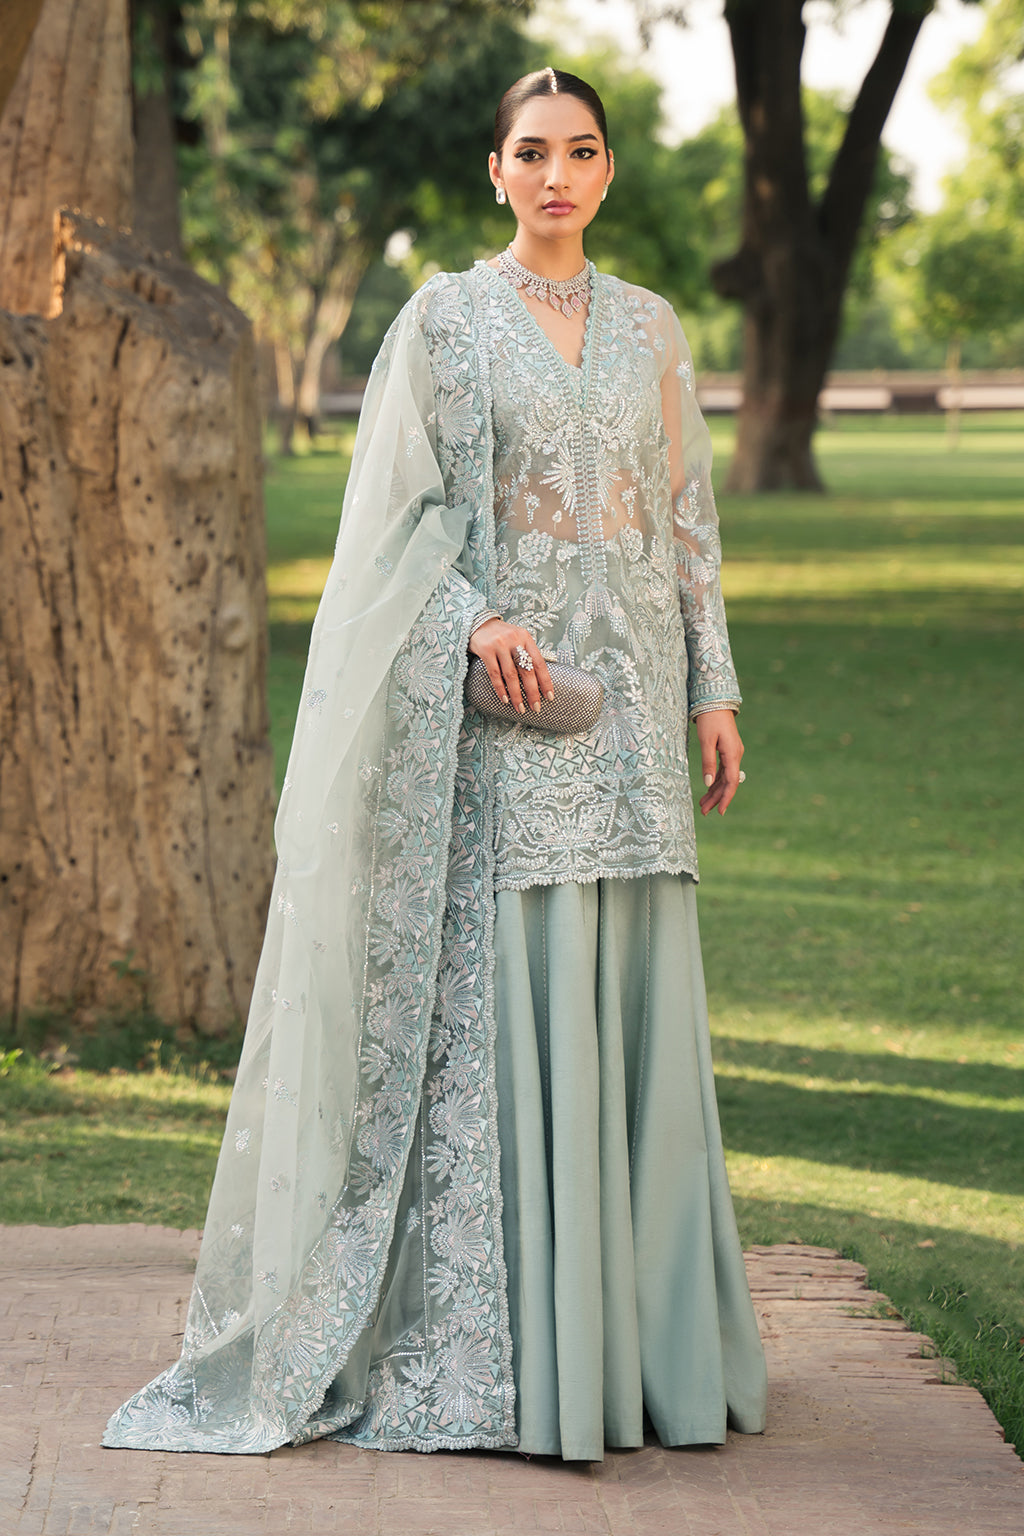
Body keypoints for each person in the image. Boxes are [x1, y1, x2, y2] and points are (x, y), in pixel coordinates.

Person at [104, 66, 767, 1463]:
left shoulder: (653, 329)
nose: (556, 176)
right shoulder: (446, 323)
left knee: (635, 997)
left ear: (607, 169)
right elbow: (389, 529)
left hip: (639, 717)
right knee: (527, 988)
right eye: (532, 152)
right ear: (495, 170)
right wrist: (474, 619)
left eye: (580, 151)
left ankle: (648, 1356)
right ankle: (529, 1360)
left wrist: (715, 689)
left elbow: (686, 521)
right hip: (518, 711)